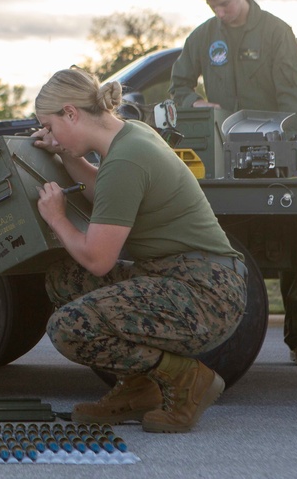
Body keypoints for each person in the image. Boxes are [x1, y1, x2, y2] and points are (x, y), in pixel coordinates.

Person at [32, 67, 247, 433]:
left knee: (68, 328)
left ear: (71, 113)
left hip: (207, 294)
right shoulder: (131, 136)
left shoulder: (126, 159)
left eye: (49, 126)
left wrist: (57, 219)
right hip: (187, 276)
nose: (49, 134)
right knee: (65, 279)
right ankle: (139, 388)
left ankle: (186, 379)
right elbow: (111, 195)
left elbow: (98, 260)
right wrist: (66, 155)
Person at [169, 0, 297, 367]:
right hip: (223, 160)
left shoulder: (275, 33)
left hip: (275, 155)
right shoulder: (203, 38)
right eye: (213, 6)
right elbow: (178, 85)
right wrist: (194, 103)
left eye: (225, 3)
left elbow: (295, 98)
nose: (221, 12)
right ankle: (223, 335)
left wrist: (283, 146)